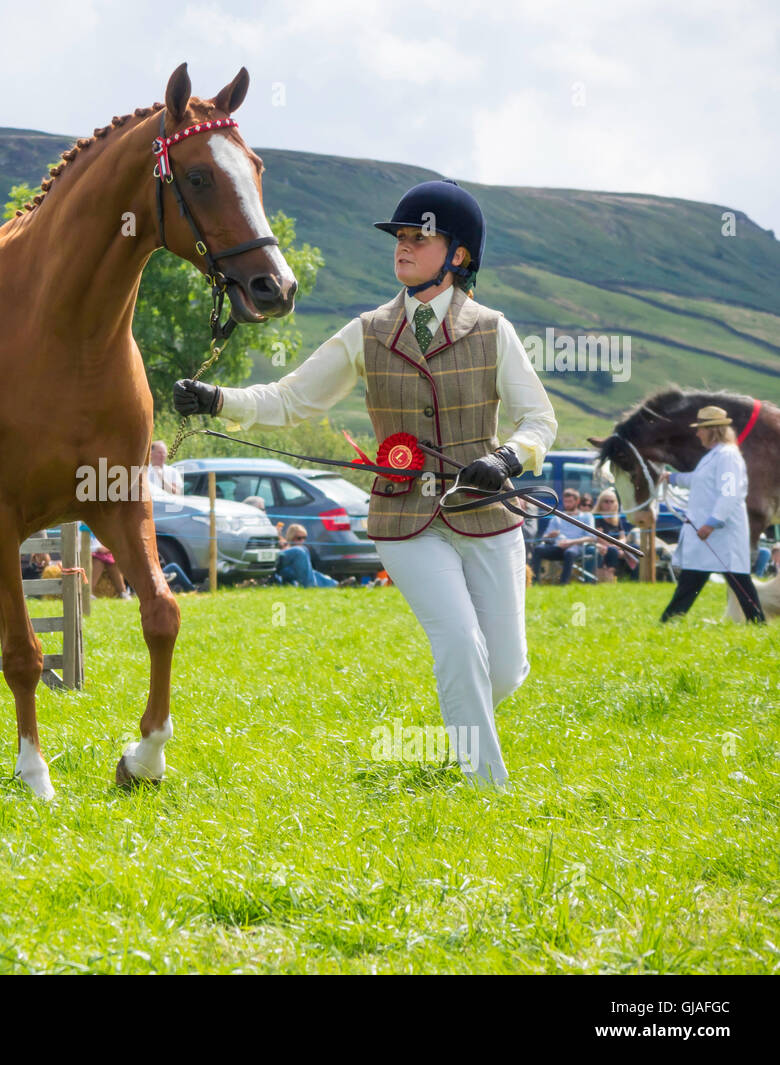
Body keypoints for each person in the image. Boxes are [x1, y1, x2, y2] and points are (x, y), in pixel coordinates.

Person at [175, 179, 557, 787]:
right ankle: (487, 789)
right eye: (400, 237)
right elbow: (291, 399)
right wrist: (219, 400)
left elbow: (539, 419)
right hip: (406, 520)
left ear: (457, 255)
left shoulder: (493, 329)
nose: (403, 247)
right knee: (458, 642)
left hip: (486, 512)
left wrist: (509, 458)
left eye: (418, 238)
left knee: (505, 668)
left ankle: (462, 735)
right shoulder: (368, 330)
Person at [660, 406, 765, 624]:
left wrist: (712, 523)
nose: (697, 434)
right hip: (708, 535)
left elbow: (729, 494)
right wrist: (673, 478)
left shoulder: (728, 457)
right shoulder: (715, 456)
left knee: (737, 581)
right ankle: (668, 621)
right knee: (694, 580)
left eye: (701, 429)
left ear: (712, 430)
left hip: (721, 533)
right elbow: (699, 481)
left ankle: (758, 622)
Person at [531, 488, 592, 584]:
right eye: (565, 501)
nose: (567, 504)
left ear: (578, 501)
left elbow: (591, 537)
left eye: (570, 501)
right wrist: (550, 536)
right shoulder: (557, 517)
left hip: (576, 547)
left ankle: (563, 583)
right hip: (558, 547)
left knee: (569, 553)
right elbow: (544, 537)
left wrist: (571, 542)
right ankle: (534, 581)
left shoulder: (586, 516)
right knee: (538, 549)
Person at [592, 489, 636, 581]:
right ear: (600, 503)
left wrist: (619, 546)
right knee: (612, 551)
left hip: (617, 546)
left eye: (612, 501)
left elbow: (623, 537)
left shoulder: (616, 518)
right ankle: (609, 576)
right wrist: (615, 547)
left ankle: (635, 578)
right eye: (606, 501)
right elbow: (599, 537)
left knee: (635, 548)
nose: (609, 504)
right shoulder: (596, 517)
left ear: (616, 503)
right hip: (603, 546)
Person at [274, 523, 337, 588]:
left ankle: (336, 584)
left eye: (304, 538)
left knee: (312, 572)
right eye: (299, 538)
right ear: (291, 537)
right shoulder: (286, 546)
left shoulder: (304, 550)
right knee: (301, 553)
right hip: (284, 569)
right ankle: (310, 586)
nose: (302, 541)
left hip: (292, 571)